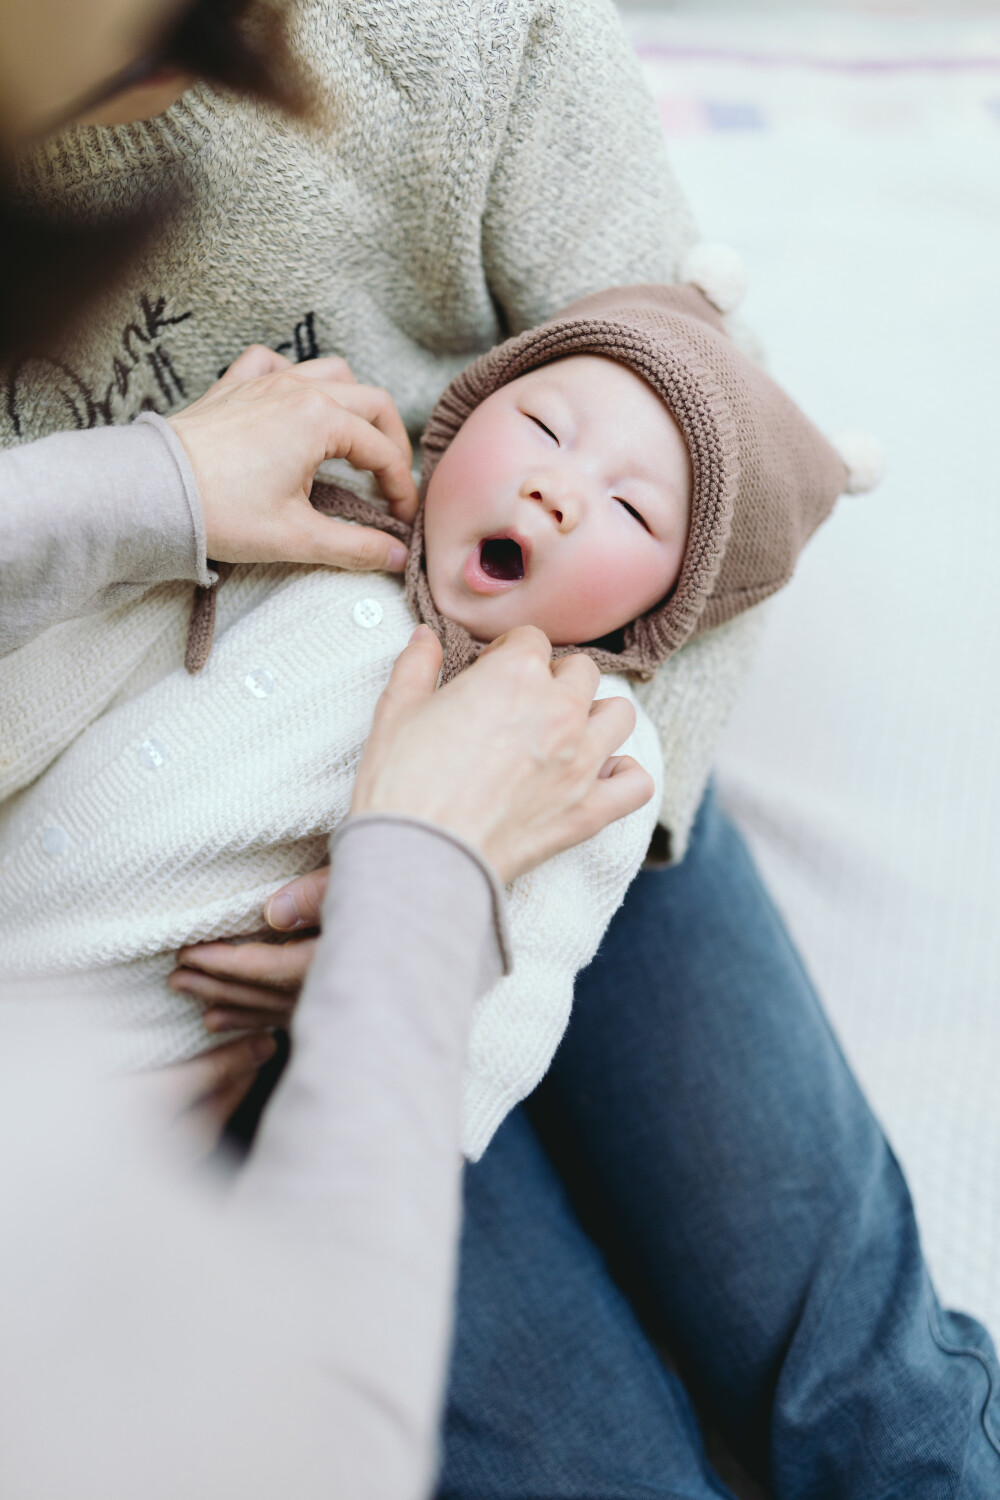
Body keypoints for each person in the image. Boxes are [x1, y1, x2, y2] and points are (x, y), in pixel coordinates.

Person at [4, 1, 999, 1494]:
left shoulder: (474, 34)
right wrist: (160, 494)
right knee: (589, 1463)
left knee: (867, 1378)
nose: (549, 494)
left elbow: (702, 425)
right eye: (532, 441)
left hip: (541, 803)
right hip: (187, 964)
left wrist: (548, 798)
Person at [0, 279, 869, 1161]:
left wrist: (402, 1067)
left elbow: (527, 972)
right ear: (459, 420)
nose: (555, 489)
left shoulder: (590, 742)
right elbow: (89, 660)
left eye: (633, 509)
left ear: (662, 609)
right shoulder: (310, 529)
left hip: (125, 1064)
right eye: (542, 429)